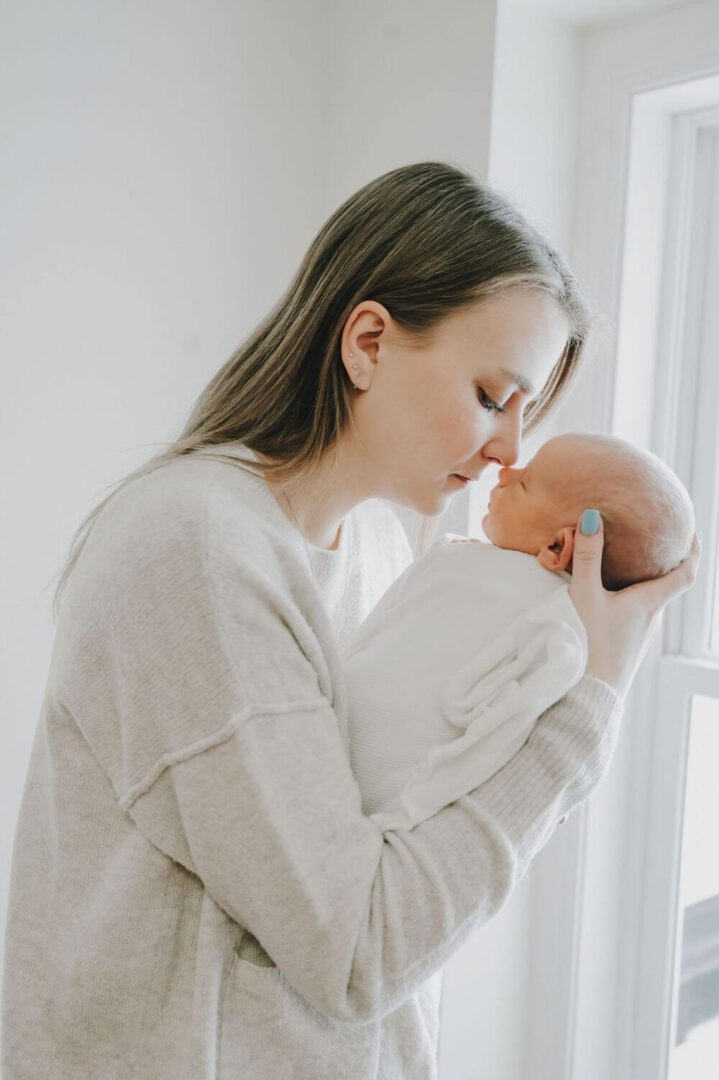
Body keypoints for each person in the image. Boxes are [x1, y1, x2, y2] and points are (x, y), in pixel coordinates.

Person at [1, 162, 700, 1079]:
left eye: (527, 412)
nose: (509, 450)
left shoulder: (381, 550)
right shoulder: (199, 549)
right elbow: (358, 951)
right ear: (366, 340)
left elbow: (412, 857)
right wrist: (589, 706)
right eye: (492, 395)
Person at [341, 432, 696, 833]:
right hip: (369, 792)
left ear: (559, 547)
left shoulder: (553, 629)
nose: (507, 471)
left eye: (525, 482)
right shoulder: (557, 623)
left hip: (372, 779)